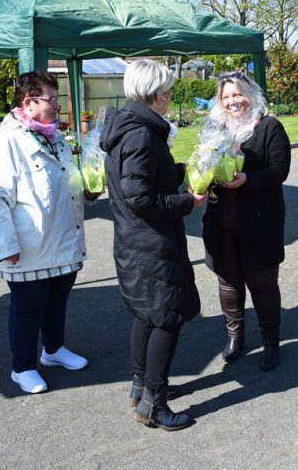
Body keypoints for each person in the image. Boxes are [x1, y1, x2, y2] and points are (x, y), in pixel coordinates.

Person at [0, 71, 97, 394]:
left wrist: (85, 189)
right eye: (50, 99)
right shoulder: (4, 142)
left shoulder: (54, 137)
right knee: (28, 306)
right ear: (28, 104)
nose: (57, 105)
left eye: (56, 98)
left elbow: (64, 179)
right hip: (28, 246)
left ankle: (53, 350)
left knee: (57, 299)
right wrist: (4, 246)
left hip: (62, 239)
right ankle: (22, 367)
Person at [100, 59, 205, 431]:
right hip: (150, 243)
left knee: (147, 314)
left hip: (135, 241)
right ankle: (153, 404)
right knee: (166, 317)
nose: (171, 96)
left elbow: (143, 178)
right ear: (157, 94)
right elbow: (140, 197)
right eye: (170, 91)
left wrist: (181, 171)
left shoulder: (131, 128)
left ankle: (141, 386)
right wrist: (186, 202)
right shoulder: (142, 134)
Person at [201, 71, 291, 372]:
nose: (231, 101)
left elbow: (279, 171)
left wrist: (247, 179)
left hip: (259, 222)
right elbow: (202, 162)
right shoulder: (215, 130)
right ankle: (235, 337)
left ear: (251, 95)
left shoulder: (269, 127)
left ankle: (270, 342)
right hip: (221, 221)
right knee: (228, 283)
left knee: (262, 284)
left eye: (237, 94)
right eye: (225, 96)